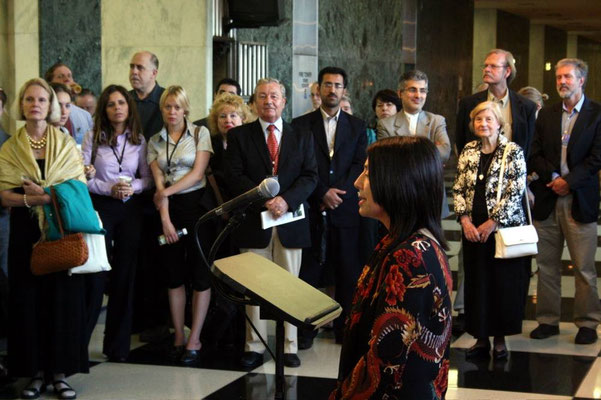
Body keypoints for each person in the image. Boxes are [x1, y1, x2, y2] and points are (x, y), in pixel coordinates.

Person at [331, 136, 452, 399]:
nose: (357, 183)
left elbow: (387, 365)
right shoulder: (400, 241)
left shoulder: (410, 257)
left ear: (397, 181)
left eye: (367, 173)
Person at [0, 78, 88, 399]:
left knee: (61, 299)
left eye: (41, 99)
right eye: (29, 99)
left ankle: (60, 373)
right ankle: (35, 373)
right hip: (24, 231)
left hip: (59, 229)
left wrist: (49, 195)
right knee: (28, 299)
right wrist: (34, 200)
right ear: (21, 106)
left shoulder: (64, 143)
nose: (35, 104)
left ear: (50, 105)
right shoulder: (10, 147)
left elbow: (77, 187)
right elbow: (3, 194)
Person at [226, 78, 318, 369]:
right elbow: (234, 176)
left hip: (290, 221)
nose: (268, 101)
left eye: (274, 96)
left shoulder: (301, 135)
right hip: (254, 221)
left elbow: (310, 176)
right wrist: (264, 198)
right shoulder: (240, 136)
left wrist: (286, 200)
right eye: (262, 96)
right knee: (253, 286)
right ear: (254, 102)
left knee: (289, 286)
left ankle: (288, 345)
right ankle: (254, 346)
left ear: (284, 101)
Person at [292, 66, 367, 348]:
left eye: (337, 85)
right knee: (309, 272)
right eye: (327, 85)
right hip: (312, 207)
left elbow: (359, 164)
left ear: (344, 90)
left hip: (346, 208)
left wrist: (340, 194)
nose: (332, 90)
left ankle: (344, 328)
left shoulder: (357, 126)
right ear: (318, 89)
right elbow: (299, 165)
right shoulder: (300, 125)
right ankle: (306, 330)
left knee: (348, 270)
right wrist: (322, 192)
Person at [528, 58, 601, 345]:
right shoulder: (546, 114)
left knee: (583, 267)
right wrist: (555, 177)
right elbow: (533, 153)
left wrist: (568, 182)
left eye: (567, 76)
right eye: (559, 77)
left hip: (580, 199)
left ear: (581, 80)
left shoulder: (597, 114)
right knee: (546, 266)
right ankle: (548, 321)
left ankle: (587, 322)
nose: (562, 81)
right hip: (548, 197)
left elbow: (597, 158)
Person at [453, 101, 529, 359]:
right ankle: (480, 338)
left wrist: (492, 221)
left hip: (501, 229)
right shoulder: (469, 150)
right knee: (477, 283)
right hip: (473, 229)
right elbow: (459, 187)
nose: (483, 124)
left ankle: (499, 340)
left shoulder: (513, 151)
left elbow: (515, 190)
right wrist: (464, 220)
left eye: (488, 119)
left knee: (502, 284)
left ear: (499, 123)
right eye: (478, 120)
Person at [81, 84, 152, 361]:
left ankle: (117, 346)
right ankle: (80, 346)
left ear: (128, 107)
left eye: (121, 102)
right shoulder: (92, 137)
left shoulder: (139, 140)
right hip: (101, 207)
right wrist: (106, 187)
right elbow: (83, 176)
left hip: (130, 208)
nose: (117, 108)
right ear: (104, 109)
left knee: (125, 275)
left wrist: (131, 187)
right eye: (111, 104)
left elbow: (147, 178)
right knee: (97, 274)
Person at [147, 85, 214, 364]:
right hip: (167, 212)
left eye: (177, 106)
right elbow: (157, 183)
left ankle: (194, 338)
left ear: (185, 108)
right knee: (174, 276)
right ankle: (178, 335)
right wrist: (165, 219)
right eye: (167, 107)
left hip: (196, 206)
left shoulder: (200, 133)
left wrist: (165, 193)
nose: (172, 112)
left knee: (200, 275)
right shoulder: (154, 141)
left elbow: (198, 173)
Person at [128, 50, 168, 343]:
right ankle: (135, 320)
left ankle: (158, 322)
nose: (134, 72)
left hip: (160, 194)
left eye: (140, 67)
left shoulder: (166, 101)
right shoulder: (124, 101)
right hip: (129, 193)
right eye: (131, 67)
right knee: (133, 260)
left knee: (158, 260)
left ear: (154, 72)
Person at [378, 70, 451, 218]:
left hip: (430, 193)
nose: (418, 95)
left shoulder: (436, 121)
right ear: (400, 93)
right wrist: (429, 150)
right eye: (412, 90)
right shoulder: (386, 125)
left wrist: (403, 150)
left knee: (431, 240)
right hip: (399, 195)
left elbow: (444, 151)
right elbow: (388, 160)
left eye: (423, 91)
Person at [456, 49, 537, 156]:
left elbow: (529, 145)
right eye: (485, 66)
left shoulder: (527, 107)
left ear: (507, 71)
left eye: (493, 66)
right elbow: (461, 141)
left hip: (513, 169)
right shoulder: (468, 104)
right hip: (478, 169)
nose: (487, 70)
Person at [207, 92, 250, 201]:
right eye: (222, 116)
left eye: (233, 115)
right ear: (216, 121)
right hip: (217, 202)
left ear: (243, 119)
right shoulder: (210, 144)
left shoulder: (250, 143)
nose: (228, 120)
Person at [45, 62, 93, 144]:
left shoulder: (85, 116)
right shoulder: (42, 115)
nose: (67, 80)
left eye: (69, 76)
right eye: (60, 76)